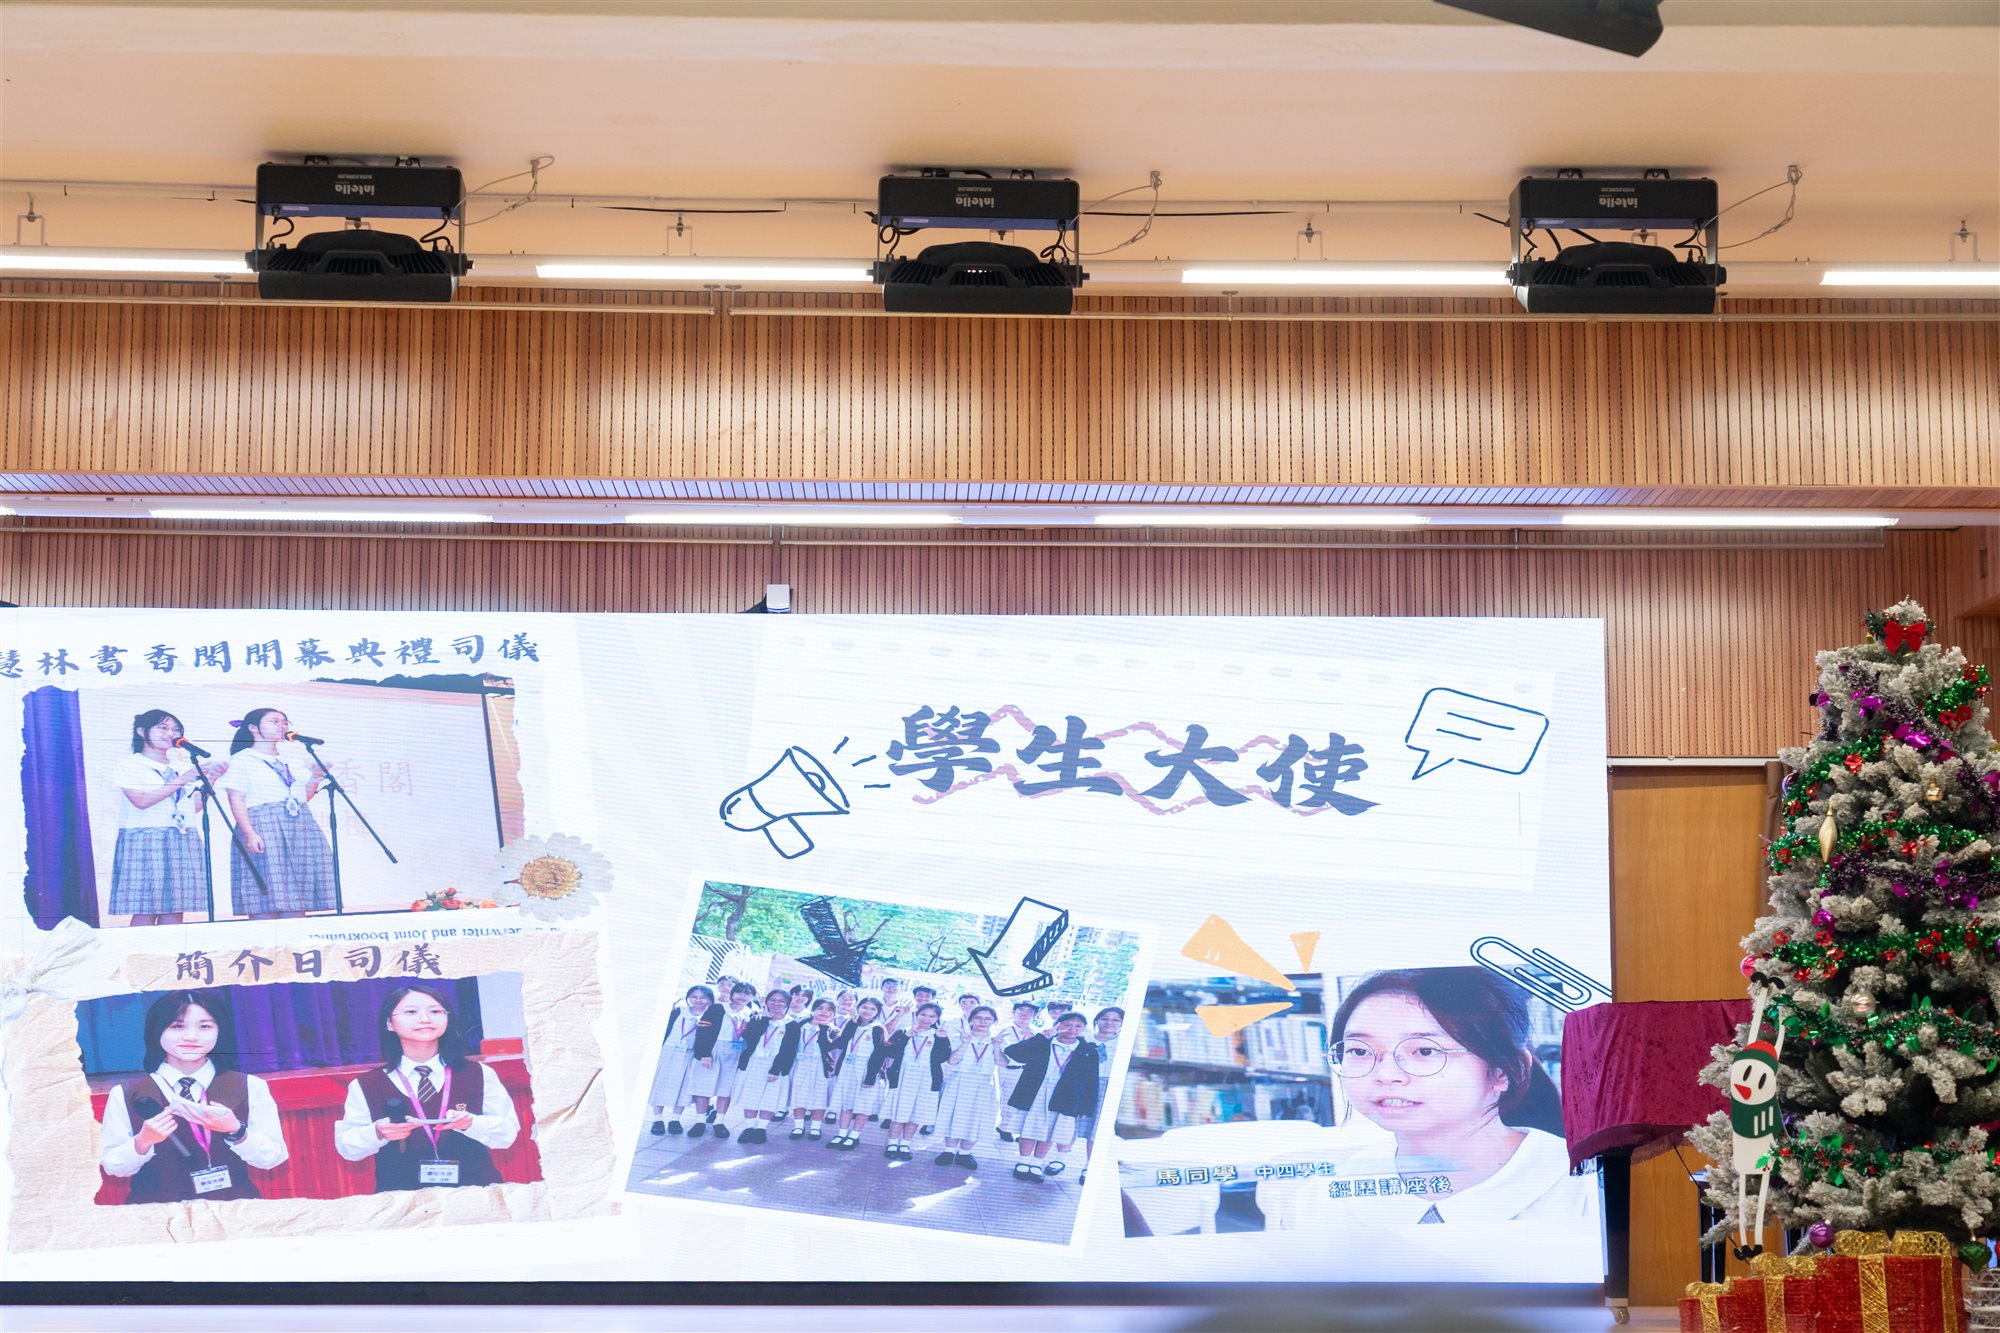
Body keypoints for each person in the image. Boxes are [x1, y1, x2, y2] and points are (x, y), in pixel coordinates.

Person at [1260, 968, 1595, 1233]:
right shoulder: (1319, 1200)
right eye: (1360, 1051)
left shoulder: (1588, 1188)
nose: (1386, 1074)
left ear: (1504, 1070)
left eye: (1424, 1051)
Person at [98, 989, 287, 1203]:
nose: (191, 1037)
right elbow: (114, 1167)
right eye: (177, 1026)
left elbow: (272, 1158)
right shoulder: (125, 1094)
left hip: (232, 1206)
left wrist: (237, 1131)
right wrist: (143, 1141)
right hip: (156, 1210)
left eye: (205, 1026)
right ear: (157, 1030)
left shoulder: (251, 1086)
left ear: (220, 1030)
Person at [334, 983, 520, 1192]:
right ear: (389, 1023)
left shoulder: (479, 1073)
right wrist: (377, 1132)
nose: (425, 1019)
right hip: (404, 1199)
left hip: (476, 1193)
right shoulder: (366, 1084)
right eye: (411, 1012)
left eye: (435, 1011)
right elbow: (348, 1148)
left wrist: (472, 1123)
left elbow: (507, 1135)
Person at [107, 709, 227, 926]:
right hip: (145, 838)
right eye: (163, 728)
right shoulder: (130, 764)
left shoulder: (182, 766)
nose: (170, 734)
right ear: (141, 731)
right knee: (145, 909)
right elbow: (141, 801)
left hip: (182, 837)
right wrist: (183, 779)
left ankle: (169, 949)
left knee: (175, 909)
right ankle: (139, 949)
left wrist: (213, 779)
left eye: (175, 730)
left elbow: (192, 808)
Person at [218, 708, 334, 920]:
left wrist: (316, 776)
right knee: (266, 896)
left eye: (285, 722)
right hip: (263, 826)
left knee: (296, 894)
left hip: (299, 826)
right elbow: (236, 799)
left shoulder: (290, 759)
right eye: (275, 721)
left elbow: (303, 797)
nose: (283, 726)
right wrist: (249, 833)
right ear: (253, 727)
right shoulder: (242, 759)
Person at [1005, 1010, 1099, 1182]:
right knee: (1030, 1127)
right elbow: (1013, 1052)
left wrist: (1085, 1107)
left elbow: (1091, 1080)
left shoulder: (1088, 1050)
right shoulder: (1043, 1042)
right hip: (1036, 1092)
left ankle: (1036, 1163)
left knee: (1051, 1130)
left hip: (1065, 1096)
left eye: (1078, 1026)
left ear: (1084, 1029)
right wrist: (1042, 1036)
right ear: (1057, 1025)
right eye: (1067, 1025)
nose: (1072, 1029)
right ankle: (1023, 1161)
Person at [873, 1002, 950, 1161]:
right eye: (923, 1014)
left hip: (926, 1079)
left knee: (916, 1113)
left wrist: (942, 1039)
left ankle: (905, 1144)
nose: (926, 1019)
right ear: (916, 1014)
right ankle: (892, 1143)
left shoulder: (938, 1035)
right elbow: (889, 1051)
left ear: (937, 1019)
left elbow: (943, 1057)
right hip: (903, 1077)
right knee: (899, 1113)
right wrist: (906, 1036)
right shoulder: (903, 1031)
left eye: (932, 1016)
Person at [733, 989, 804, 1145]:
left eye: (781, 1001)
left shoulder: (792, 1025)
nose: (776, 1003)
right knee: (750, 1096)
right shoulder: (758, 1019)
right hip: (754, 1063)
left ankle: (761, 1129)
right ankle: (749, 1128)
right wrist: (764, 1019)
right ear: (766, 1002)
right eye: (772, 1000)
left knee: (769, 1099)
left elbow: (789, 1050)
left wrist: (775, 1070)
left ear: (787, 1004)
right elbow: (749, 1038)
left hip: (775, 1066)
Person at [648, 985, 719, 1137]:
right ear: (688, 998)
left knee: (684, 1087)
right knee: (661, 1084)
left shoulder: (710, 1016)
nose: (698, 1000)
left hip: (691, 1055)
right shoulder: (678, 1011)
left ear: (710, 1000)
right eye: (694, 997)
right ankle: (657, 1120)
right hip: (669, 1052)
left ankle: (675, 1119)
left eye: (703, 997)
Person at [935, 1004, 1000, 1169]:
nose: (983, 1022)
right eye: (978, 1018)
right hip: (959, 1080)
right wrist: (965, 1043)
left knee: (976, 1117)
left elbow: (1003, 1063)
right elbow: (952, 1061)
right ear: (971, 1019)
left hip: (984, 1084)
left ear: (994, 1021)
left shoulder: (997, 1040)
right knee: (953, 1115)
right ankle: (948, 1151)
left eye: (988, 1019)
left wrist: (997, 1046)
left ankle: (965, 1153)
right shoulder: (959, 1037)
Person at [1070, 1006, 1125, 1182]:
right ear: (1097, 1021)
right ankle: (1059, 1158)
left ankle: (1089, 1166)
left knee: (1097, 1129)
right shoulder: (1083, 1040)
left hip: (1108, 1087)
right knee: (1070, 1124)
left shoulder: (1123, 1044)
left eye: (1115, 1020)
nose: (1109, 1022)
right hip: (1080, 1085)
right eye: (1105, 1018)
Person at [826, 996, 886, 1150]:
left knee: (863, 1105)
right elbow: (841, 1042)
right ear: (858, 1008)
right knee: (846, 1102)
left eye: (872, 1009)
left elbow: (879, 1053)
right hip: (848, 1068)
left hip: (866, 1070)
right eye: (864, 1007)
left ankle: (854, 1136)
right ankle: (841, 1134)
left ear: (877, 1012)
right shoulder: (852, 1024)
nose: (867, 1011)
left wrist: (870, 1077)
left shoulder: (877, 1028)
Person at [703, 982, 759, 1139]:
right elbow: (703, 1030)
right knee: (705, 1086)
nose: (742, 996)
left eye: (747, 994)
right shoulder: (718, 1008)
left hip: (736, 1052)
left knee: (726, 1090)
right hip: (714, 1048)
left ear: (752, 997)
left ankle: (719, 1121)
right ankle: (700, 1121)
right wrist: (704, 1053)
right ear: (732, 993)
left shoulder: (752, 1013)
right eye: (739, 992)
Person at [785, 998, 840, 1141]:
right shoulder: (800, 1025)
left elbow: (830, 1047)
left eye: (829, 1010)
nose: (824, 1012)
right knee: (798, 1094)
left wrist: (824, 1028)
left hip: (820, 1067)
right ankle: (798, 1126)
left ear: (833, 1013)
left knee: (819, 1096)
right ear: (813, 1009)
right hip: (799, 1064)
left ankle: (816, 1127)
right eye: (820, 1008)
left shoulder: (834, 1030)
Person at [995, 999, 1043, 1142]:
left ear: (1035, 1015)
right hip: (1006, 1069)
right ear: (1013, 1012)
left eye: (1030, 1011)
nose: (1025, 1013)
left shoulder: (1037, 1032)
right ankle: (1003, 1127)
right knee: (1004, 1101)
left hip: (1026, 1071)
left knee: (1020, 1101)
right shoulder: (1004, 1029)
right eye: (1021, 1010)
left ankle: (1009, 1128)